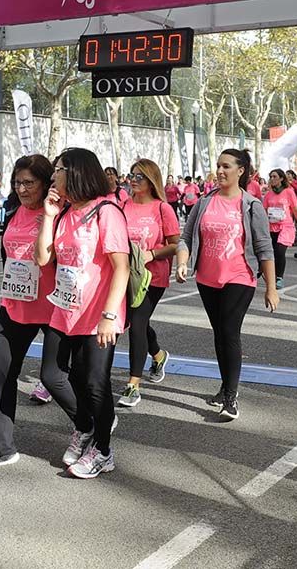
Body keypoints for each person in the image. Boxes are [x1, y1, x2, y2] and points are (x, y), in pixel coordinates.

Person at [34, 148, 130, 479]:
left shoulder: (107, 212)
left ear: (76, 172)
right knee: (52, 375)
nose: (53, 176)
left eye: (58, 170)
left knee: (94, 383)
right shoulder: (63, 213)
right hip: (64, 309)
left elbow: (121, 267)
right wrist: (49, 216)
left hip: (98, 314)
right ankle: (87, 425)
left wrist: (109, 316)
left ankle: (103, 451)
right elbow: (43, 259)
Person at [176, 149, 278, 421]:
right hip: (207, 278)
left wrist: (271, 287)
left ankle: (231, 398)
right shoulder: (204, 202)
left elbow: (264, 247)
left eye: (226, 166)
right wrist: (183, 262)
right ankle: (224, 387)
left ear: (240, 171)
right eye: (218, 166)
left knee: (229, 331)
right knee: (219, 333)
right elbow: (186, 237)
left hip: (239, 277)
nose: (220, 171)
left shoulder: (251, 205)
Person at [0, 155, 56, 470]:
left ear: (45, 183)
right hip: (15, 303)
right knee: (1, 369)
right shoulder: (12, 209)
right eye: (17, 182)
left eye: (29, 183)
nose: (22, 189)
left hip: (52, 306)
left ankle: (94, 425)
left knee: (60, 378)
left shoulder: (58, 213)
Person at [116, 159, 179, 408]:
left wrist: (152, 254)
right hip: (125, 274)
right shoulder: (123, 205)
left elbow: (175, 244)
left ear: (152, 180)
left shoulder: (162, 208)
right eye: (131, 175)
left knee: (137, 324)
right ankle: (159, 355)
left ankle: (133, 385)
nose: (133, 180)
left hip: (152, 277)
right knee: (137, 321)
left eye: (139, 176)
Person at [263, 169, 297, 288]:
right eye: (270, 177)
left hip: (285, 226)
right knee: (272, 253)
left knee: (280, 251)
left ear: (281, 178)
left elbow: (295, 209)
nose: (272, 179)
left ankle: (279, 277)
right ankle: (271, 274)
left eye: (274, 176)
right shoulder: (268, 194)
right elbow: (264, 210)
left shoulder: (288, 192)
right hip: (271, 227)